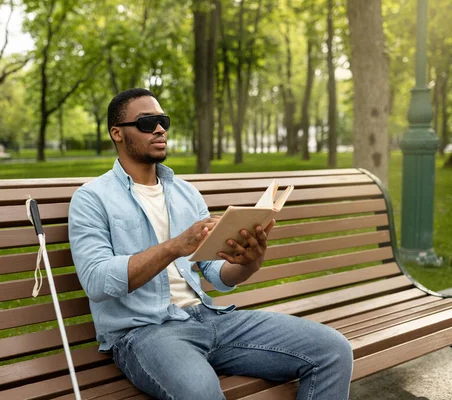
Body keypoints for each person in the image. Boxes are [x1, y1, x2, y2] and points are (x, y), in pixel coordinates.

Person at [68, 88, 353, 400]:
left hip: (211, 319)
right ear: (117, 133)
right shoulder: (92, 198)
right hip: (146, 332)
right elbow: (97, 281)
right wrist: (174, 246)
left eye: (163, 121)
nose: (161, 129)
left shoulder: (186, 193)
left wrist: (248, 263)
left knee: (332, 350)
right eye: (148, 123)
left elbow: (216, 272)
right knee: (201, 392)